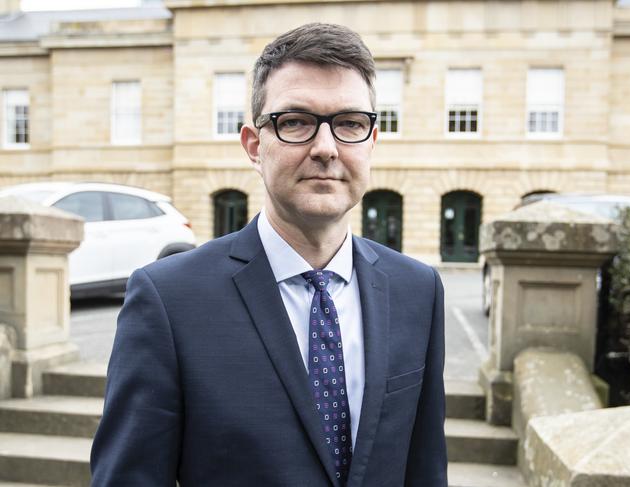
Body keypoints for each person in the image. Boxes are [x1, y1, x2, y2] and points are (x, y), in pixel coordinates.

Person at [90, 22, 447, 487]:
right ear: (254, 146)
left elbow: (424, 470)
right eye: (295, 122)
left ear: (372, 142)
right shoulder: (168, 300)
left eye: (350, 124)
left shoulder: (418, 291)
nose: (325, 148)